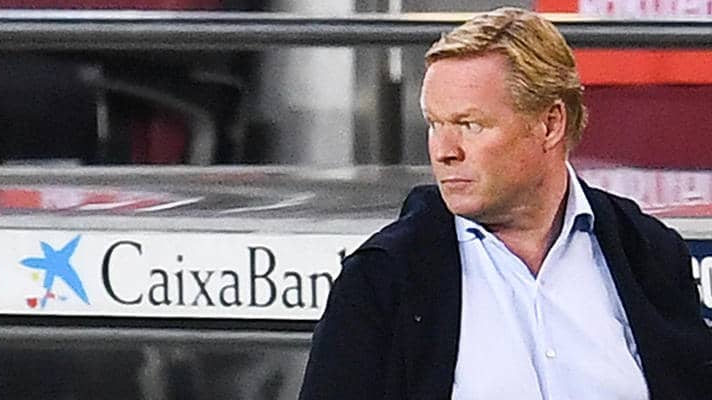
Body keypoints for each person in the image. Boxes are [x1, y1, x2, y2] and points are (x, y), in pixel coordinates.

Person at [299, 7, 712, 400]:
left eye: (470, 124)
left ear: (550, 124)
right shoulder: (381, 280)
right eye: (435, 125)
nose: (444, 151)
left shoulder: (649, 254)